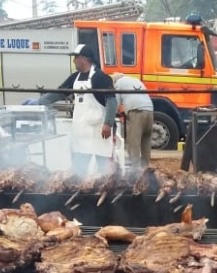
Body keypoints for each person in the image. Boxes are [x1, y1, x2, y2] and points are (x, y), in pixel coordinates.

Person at [40, 44, 117, 175]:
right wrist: (40, 101)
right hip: (81, 130)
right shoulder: (74, 77)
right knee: (79, 169)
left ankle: (106, 185)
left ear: (84, 59)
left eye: (76, 57)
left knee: (103, 169)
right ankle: (79, 185)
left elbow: (111, 101)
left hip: (99, 130)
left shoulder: (100, 77)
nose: (74, 61)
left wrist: (108, 123)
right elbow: (60, 93)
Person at [109, 72, 154, 168]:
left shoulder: (118, 83)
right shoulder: (136, 80)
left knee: (133, 142)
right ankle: (145, 168)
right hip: (150, 110)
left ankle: (135, 170)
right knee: (146, 141)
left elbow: (115, 103)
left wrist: (111, 115)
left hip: (136, 111)